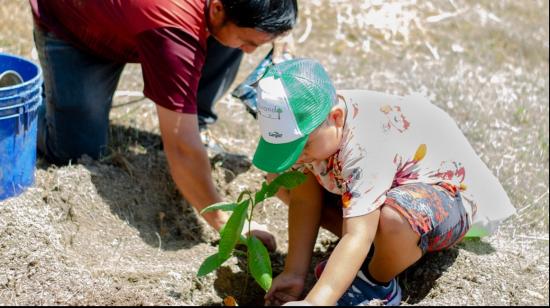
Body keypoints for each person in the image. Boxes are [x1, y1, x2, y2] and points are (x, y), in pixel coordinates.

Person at [28, 0, 298, 251]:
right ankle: (19, 106)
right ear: (216, 8)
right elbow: (181, 149)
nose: (250, 51)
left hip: (141, 20)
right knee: (74, 150)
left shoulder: (218, 14)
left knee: (227, 41)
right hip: (79, 26)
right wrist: (225, 222)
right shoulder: (175, 30)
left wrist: (279, 31)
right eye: (248, 40)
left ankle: (194, 118)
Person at [250, 59, 516, 305]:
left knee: (394, 219)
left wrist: (315, 302)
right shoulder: (315, 124)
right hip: (387, 186)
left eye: (301, 146)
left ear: (336, 118)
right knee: (282, 178)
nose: (298, 156)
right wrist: (295, 272)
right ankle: (364, 257)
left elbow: (358, 233)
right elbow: (304, 198)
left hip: (452, 199)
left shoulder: (366, 143)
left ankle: (375, 282)